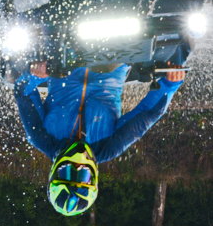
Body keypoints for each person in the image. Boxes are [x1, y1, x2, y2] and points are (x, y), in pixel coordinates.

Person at [12, 61, 187, 217]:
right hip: (114, 62)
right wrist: (169, 85)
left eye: (66, 172)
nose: (77, 166)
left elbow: (23, 93)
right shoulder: (109, 147)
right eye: (82, 174)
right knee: (177, 50)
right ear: (94, 179)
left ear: (53, 173)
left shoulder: (41, 138)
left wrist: (34, 75)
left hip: (65, 63)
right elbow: (146, 115)